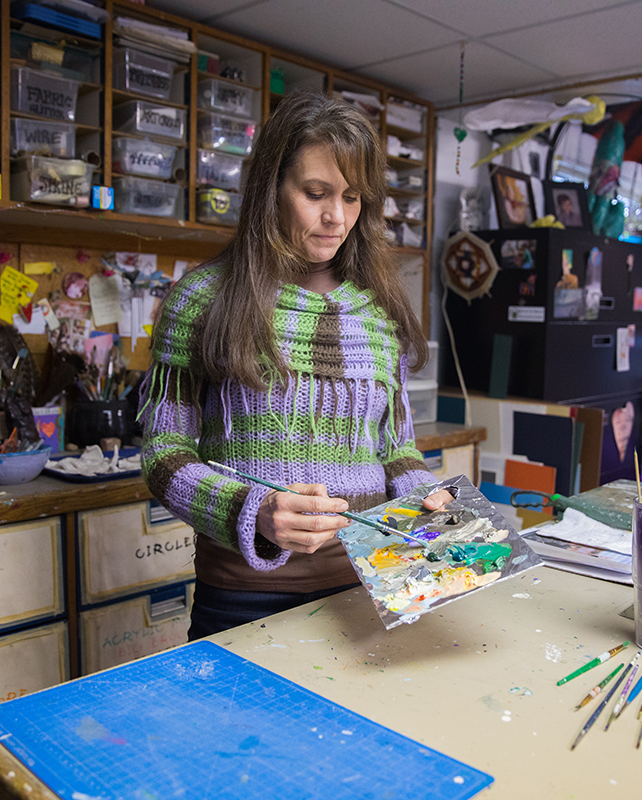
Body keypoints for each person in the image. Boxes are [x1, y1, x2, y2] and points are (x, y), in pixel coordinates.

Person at [139, 90, 451, 640]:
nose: (337, 217)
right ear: (270, 188)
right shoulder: (204, 299)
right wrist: (251, 510)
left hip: (369, 584)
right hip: (243, 597)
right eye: (315, 193)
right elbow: (163, 456)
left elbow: (395, 449)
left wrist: (423, 492)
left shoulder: (377, 311)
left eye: (353, 198)